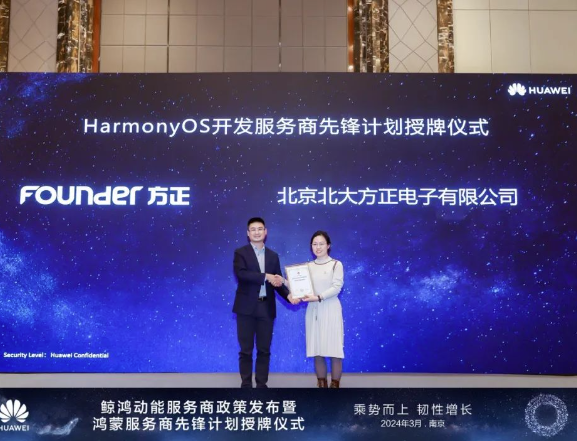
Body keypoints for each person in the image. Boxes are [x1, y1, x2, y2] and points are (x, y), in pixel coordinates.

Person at [232, 217, 294, 388]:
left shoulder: (273, 256)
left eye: (260, 229)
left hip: (266, 308)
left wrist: (289, 296)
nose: (257, 232)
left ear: (265, 232)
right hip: (245, 308)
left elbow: (277, 282)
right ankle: (246, 385)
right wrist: (266, 276)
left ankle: (261, 386)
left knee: (264, 350)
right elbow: (241, 274)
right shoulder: (240, 253)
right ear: (248, 233)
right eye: (253, 229)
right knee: (246, 350)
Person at [301, 231, 344, 388]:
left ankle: (335, 386)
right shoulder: (307, 267)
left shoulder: (336, 264)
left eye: (321, 244)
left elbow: (337, 287)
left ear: (328, 246)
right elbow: (300, 286)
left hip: (331, 309)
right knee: (317, 349)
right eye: (315, 244)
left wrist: (319, 297)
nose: (318, 247)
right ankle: (321, 387)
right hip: (313, 311)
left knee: (334, 349)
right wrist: (284, 281)